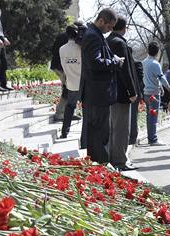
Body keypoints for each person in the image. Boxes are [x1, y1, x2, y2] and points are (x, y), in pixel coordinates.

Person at [79, 8, 123, 163]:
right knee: (98, 133)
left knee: (99, 132)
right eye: (109, 27)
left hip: (97, 93)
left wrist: (112, 57)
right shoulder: (93, 36)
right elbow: (95, 63)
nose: (109, 30)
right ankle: (100, 164)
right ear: (101, 21)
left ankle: (99, 162)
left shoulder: (95, 34)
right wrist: (115, 62)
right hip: (97, 93)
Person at [106, 15, 139, 171]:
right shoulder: (119, 43)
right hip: (121, 92)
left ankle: (114, 157)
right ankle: (120, 160)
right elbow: (125, 70)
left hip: (111, 91)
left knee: (114, 126)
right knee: (121, 128)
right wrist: (132, 91)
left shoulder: (108, 40)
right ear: (124, 28)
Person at [51, 21, 85, 123]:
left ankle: (68, 112)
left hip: (59, 66)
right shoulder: (71, 39)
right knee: (67, 89)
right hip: (63, 67)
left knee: (68, 89)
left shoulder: (63, 35)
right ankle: (60, 114)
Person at [142, 41, 170, 146]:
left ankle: (151, 137)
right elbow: (161, 78)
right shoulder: (155, 64)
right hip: (154, 94)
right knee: (153, 116)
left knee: (149, 115)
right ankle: (153, 139)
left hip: (146, 93)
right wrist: (168, 88)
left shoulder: (143, 62)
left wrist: (161, 88)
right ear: (157, 52)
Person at [59, 25, 82, 139]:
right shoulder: (81, 48)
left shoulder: (62, 49)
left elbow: (63, 65)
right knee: (87, 108)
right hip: (83, 83)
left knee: (70, 107)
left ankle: (64, 132)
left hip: (71, 82)